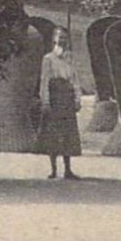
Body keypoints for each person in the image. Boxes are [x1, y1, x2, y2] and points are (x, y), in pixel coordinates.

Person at [36, 27, 82, 179]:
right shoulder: (48, 59)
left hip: (67, 98)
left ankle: (68, 169)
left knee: (68, 133)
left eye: (65, 38)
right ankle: (53, 169)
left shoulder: (70, 58)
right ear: (54, 39)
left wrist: (77, 98)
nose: (62, 40)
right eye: (59, 37)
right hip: (55, 97)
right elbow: (45, 80)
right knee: (53, 133)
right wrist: (46, 100)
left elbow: (75, 80)